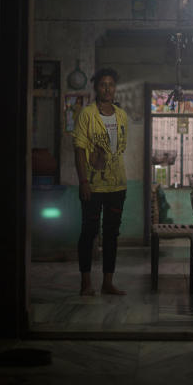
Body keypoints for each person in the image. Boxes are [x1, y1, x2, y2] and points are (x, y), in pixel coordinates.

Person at [72, 68, 129, 296]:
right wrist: (83, 181)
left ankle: (107, 282)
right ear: (96, 88)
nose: (108, 88)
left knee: (112, 234)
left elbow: (120, 148)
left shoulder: (121, 115)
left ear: (115, 88)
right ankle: (86, 283)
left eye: (111, 84)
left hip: (117, 185)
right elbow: (79, 149)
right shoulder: (87, 114)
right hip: (93, 185)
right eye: (103, 84)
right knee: (89, 232)